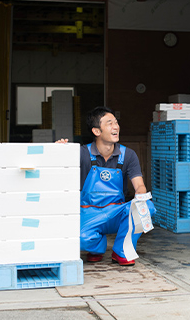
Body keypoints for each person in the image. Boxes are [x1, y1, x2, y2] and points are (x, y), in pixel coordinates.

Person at [57, 106, 155, 265]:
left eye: (116, 123)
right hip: (89, 213)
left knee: (146, 207)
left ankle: (121, 251)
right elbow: (56, 169)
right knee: (81, 240)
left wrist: (140, 198)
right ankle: (97, 247)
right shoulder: (82, 153)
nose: (116, 127)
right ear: (97, 131)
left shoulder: (128, 155)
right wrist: (59, 150)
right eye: (110, 123)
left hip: (116, 212)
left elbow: (139, 186)